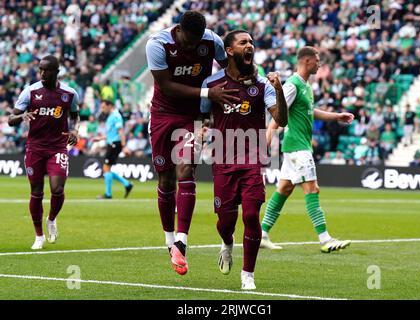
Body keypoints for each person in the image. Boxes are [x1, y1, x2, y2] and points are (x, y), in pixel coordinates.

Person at [145, 10, 240, 275]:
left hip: (192, 116)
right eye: (188, 41)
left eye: (197, 42)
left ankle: (181, 240)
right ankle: (168, 240)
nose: (192, 46)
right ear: (178, 30)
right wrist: (208, 91)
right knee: (165, 180)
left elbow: (229, 70)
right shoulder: (157, 44)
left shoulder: (212, 41)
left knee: (187, 169)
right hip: (163, 114)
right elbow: (166, 86)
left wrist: (219, 102)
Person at [200, 30, 288, 290]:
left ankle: (247, 273)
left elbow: (280, 120)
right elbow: (201, 115)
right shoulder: (212, 83)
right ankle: (227, 243)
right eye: (243, 42)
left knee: (251, 215)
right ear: (229, 50)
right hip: (223, 160)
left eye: (251, 42)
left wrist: (279, 90)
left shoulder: (262, 85)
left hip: (252, 159)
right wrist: (200, 131)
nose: (250, 45)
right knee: (226, 222)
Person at [260, 46, 354, 252]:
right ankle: (325, 239)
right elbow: (278, 113)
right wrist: (267, 137)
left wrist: (336, 116)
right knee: (312, 189)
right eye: (317, 60)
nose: (319, 64)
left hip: (295, 147)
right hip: (298, 148)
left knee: (284, 189)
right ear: (306, 61)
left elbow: (311, 112)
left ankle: (262, 234)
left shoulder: (306, 86)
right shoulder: (292, 85)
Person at [7, 55, 79, 250]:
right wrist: (22, 115)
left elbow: (75, 114)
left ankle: (52, 219)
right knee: (36, 192)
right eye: (40, 70)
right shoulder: (30, 92)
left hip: (57, 147)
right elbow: (10, 119)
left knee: (57, 189)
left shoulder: (69, 93)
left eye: (46, 70)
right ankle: (39, 236)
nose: (42, 73)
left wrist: (74, 130)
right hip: (35, 148)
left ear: (56, 71)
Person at [96, 100, 133, 199]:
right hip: (111, 143)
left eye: (104, 107)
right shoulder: (111, 116)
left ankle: (108, 194)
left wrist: (124, 146)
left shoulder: (116, 116)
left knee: (106, 168)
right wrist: (101, 138)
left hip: (115, 144)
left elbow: (121, 131)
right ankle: (127, 184)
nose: (102, 109)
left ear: (110, 106)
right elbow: (112, 133)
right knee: (106, 168)